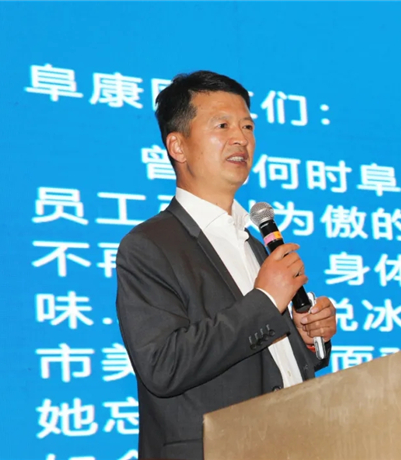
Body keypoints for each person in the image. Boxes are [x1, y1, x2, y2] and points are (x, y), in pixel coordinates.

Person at [115, 70, 337, 460]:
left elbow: (266, 361)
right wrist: (266, 301)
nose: (241, 138)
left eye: (247, 126)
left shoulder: (255, 243)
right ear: (177, 146)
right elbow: (163, 366)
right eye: (222, 125)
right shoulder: (148, 246)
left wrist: (306, 339)